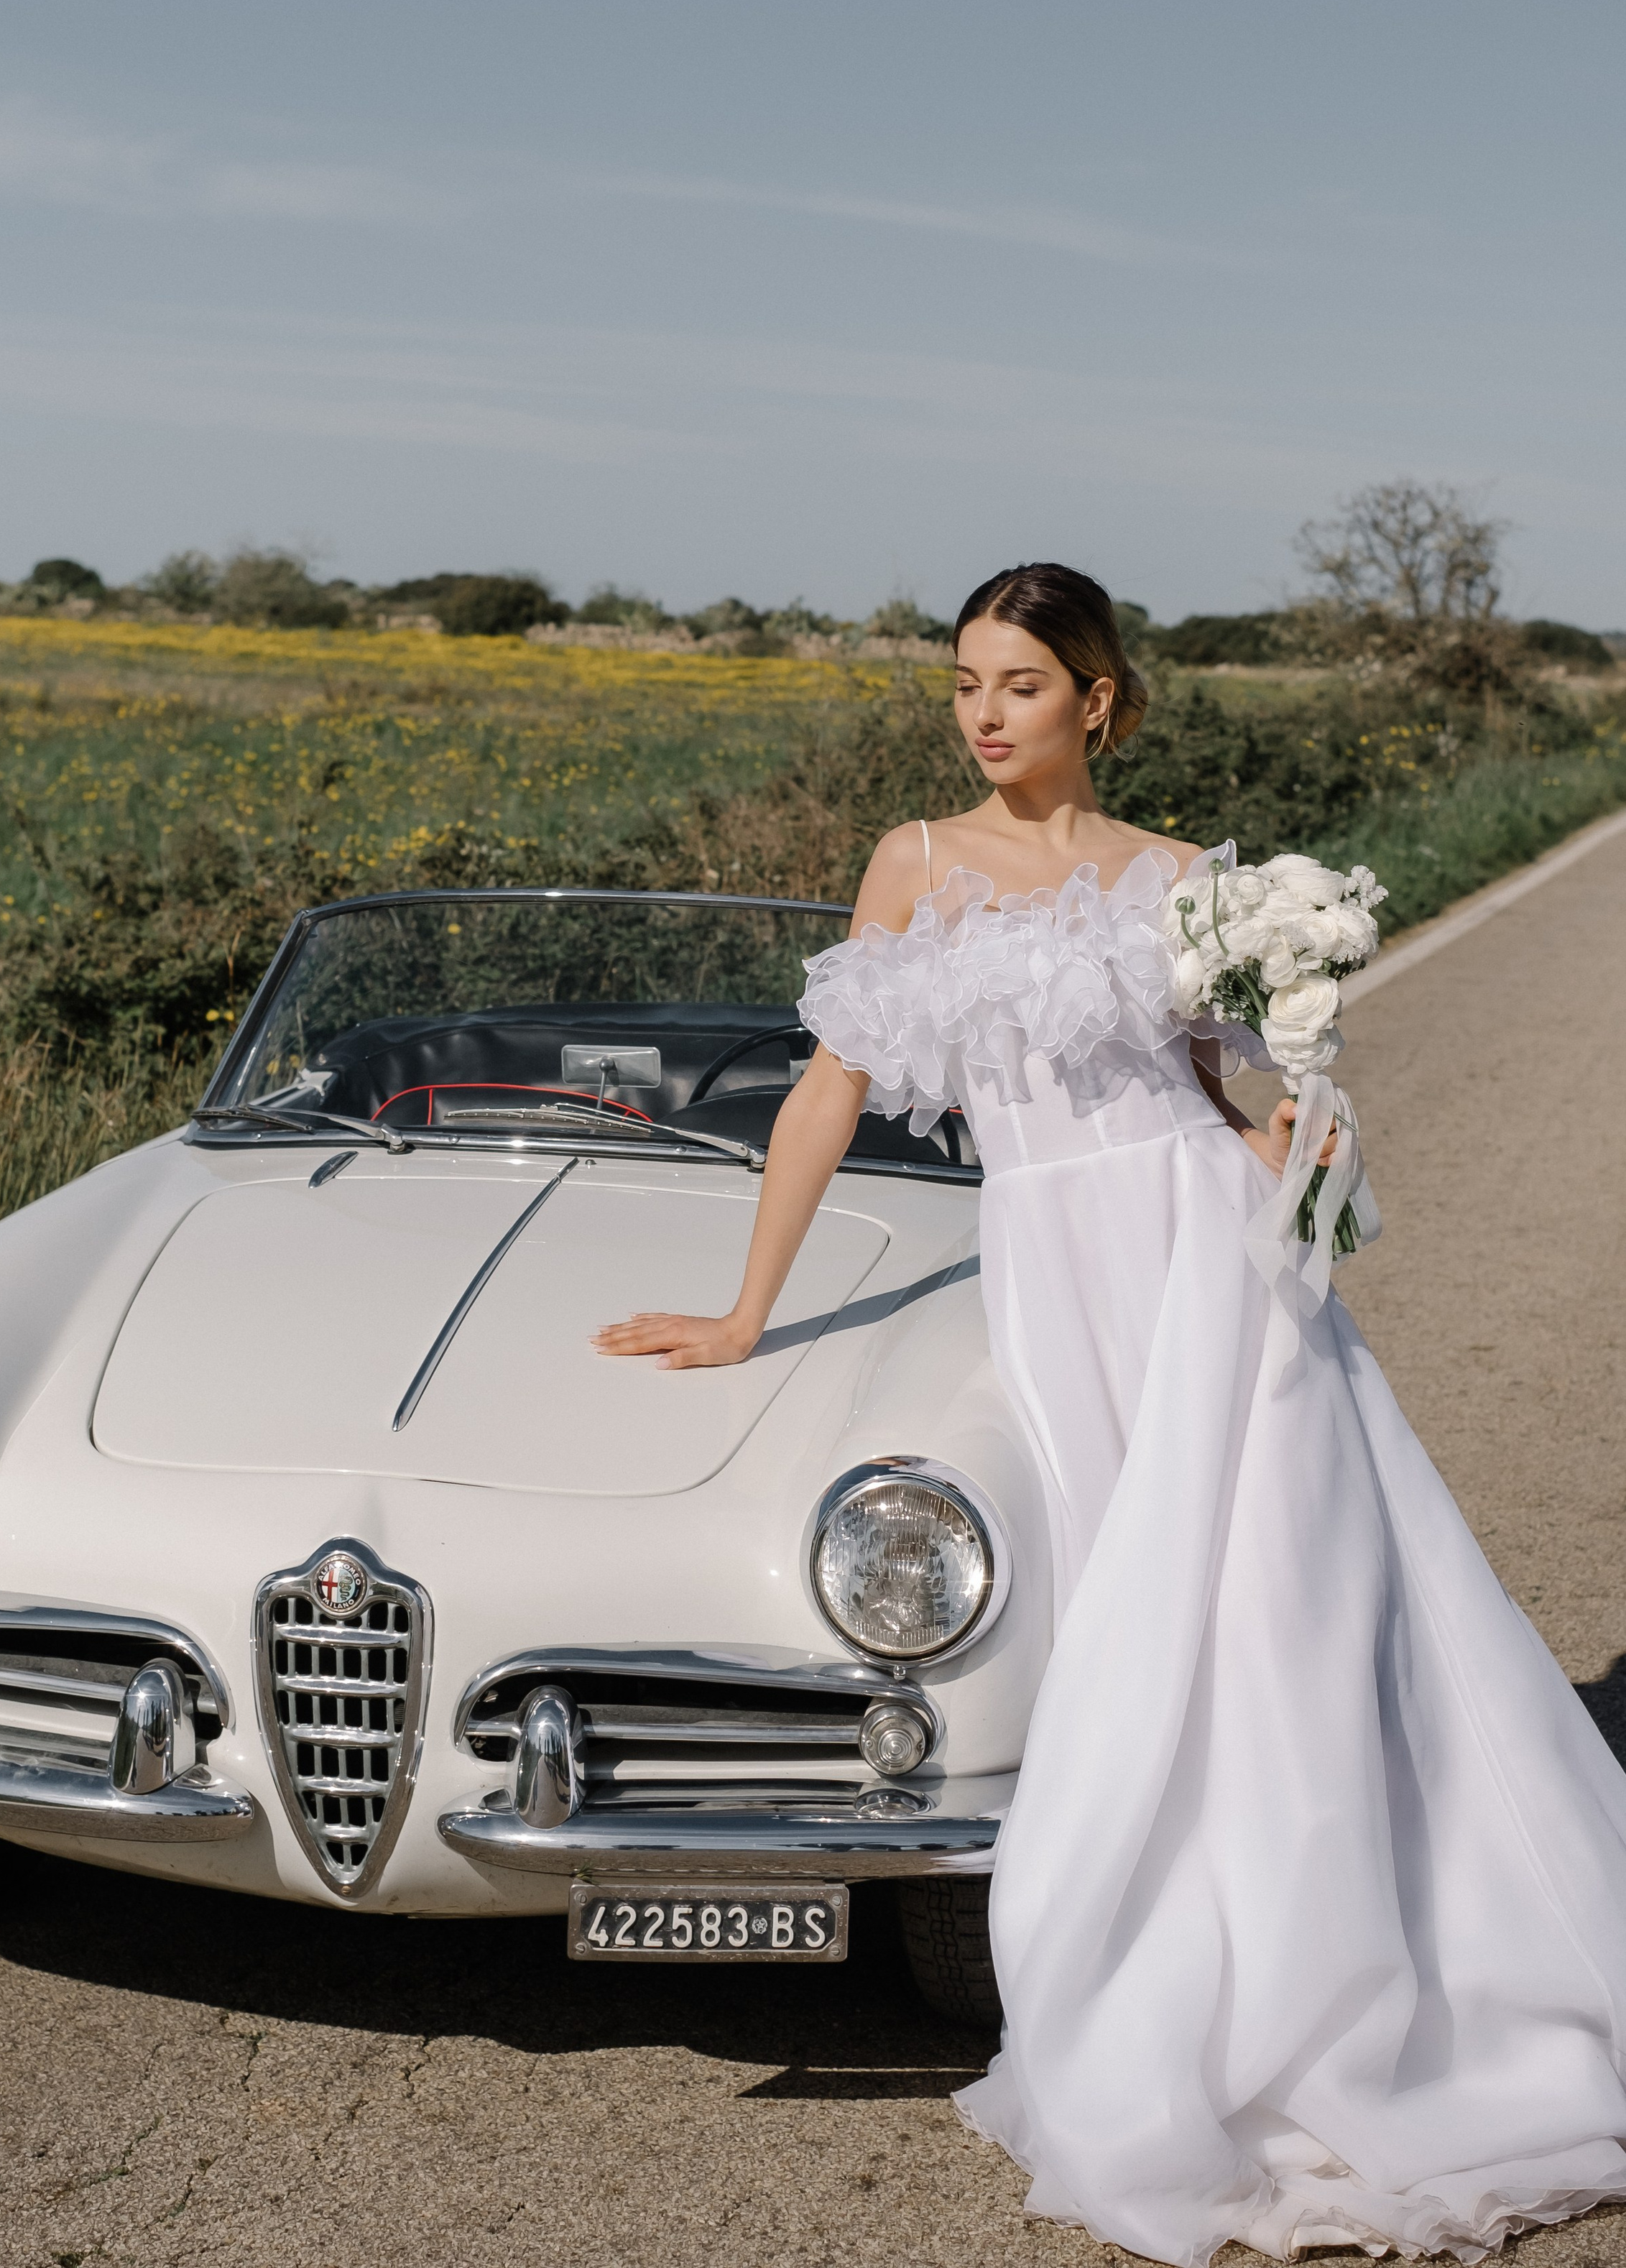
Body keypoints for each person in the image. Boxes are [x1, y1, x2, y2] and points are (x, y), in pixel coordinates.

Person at [595, 561, 1626, 2267]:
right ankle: (1172, 1959)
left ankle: (1345, 1981)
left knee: (1280, 1607)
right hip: (1054, 1269)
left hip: (1201, 1259)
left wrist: (1298, 1133)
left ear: (1094, 699)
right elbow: (826, 1095)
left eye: (1016, 684)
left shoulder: (1182, 879)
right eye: (962, 684)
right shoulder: (912, 864)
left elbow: (1216, 1088)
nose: (982, 715)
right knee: (1125, 1605)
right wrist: (742, 1312)